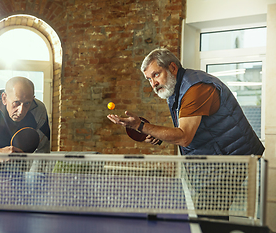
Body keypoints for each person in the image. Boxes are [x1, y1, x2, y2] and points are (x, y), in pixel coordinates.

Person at [107, 48, 264, 156]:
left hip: (238, 162)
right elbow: (189, 132)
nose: (153, 83)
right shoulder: (176, 90)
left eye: (156, 75)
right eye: (149, 79)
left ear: (173, 68)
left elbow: (184, 137)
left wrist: (140, 126)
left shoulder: (195, 89)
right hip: (220, 161)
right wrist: (156, 134)